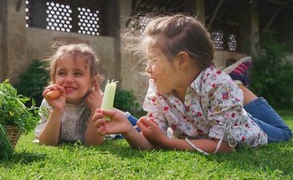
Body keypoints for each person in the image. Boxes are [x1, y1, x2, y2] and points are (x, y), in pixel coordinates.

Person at [93, 14, 292, 154]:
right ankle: (238, 87)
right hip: (217, 113)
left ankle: (238, 86)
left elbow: (223, 147)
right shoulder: (158, 90)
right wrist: (128, 128)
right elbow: (152, 144)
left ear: (181, 61)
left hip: (241, 125)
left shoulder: (218, 87)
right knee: (228, 100)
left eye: (153, 60)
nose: (148, 69)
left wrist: (166, 141)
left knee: (285, 134)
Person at [34, 42, 105, 146]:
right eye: (62, 73)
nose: (68, 79)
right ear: (54, 78)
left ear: (93, 82)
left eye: (77, 73)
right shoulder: (51, 102)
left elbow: (93, 143)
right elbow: (46, 143)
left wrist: (95, 109)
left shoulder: (97, 101)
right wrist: (56, 111)